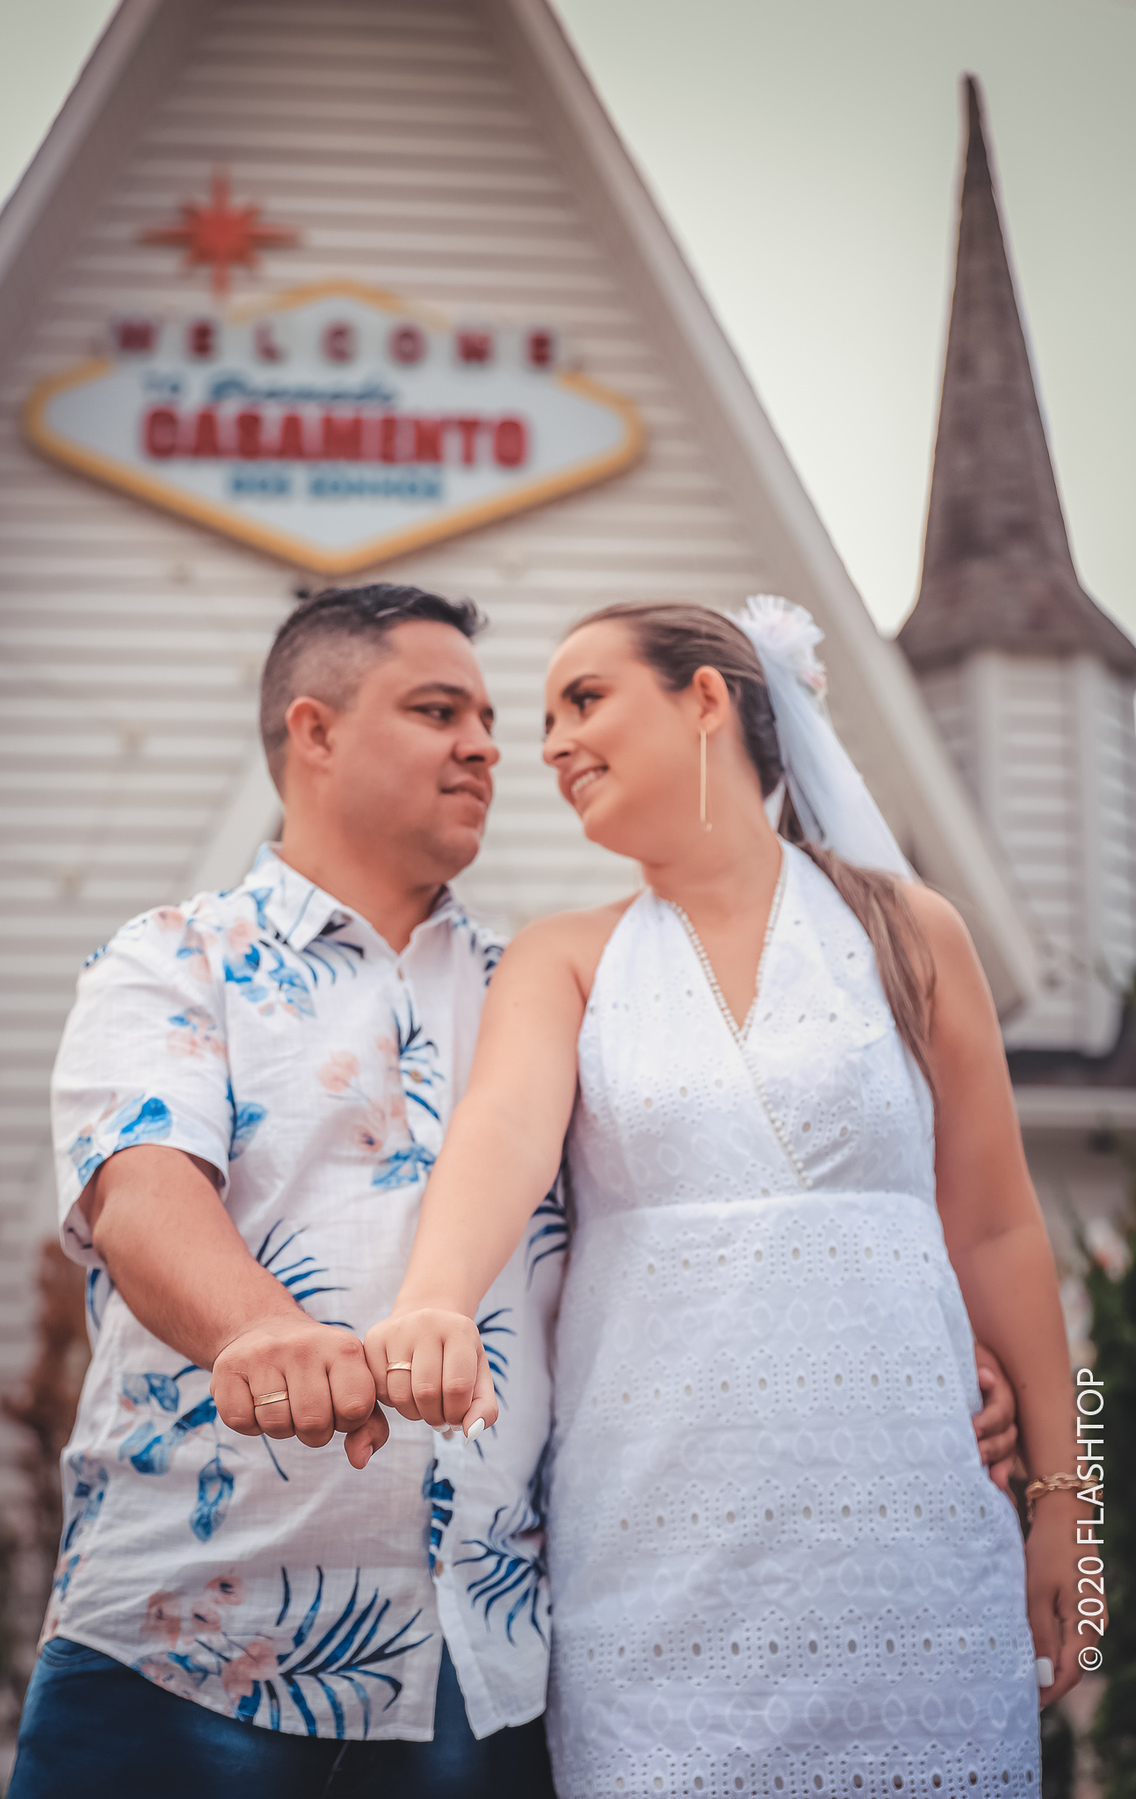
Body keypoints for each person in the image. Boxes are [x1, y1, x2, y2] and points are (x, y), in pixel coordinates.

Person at [366, 599, 1082, 1798]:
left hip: (912, 1562)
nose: (551, 744)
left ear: (706, 699)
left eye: (584, 700)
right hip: (660, 1568)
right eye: (545, 720)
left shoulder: (914, 935)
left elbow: (1003, 1227)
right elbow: (497, 1133)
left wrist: (1077, 1506)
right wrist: (432, 1297)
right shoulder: (566, 956)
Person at [9, 585, 561, 1799]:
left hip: (486, 1662)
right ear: (313, 732)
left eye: (485, 714)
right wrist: (263, 1330)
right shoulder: (170, 957)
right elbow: (144, 1190)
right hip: (183, 1645)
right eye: (436, 708)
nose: (485, 743)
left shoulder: (544, 991)